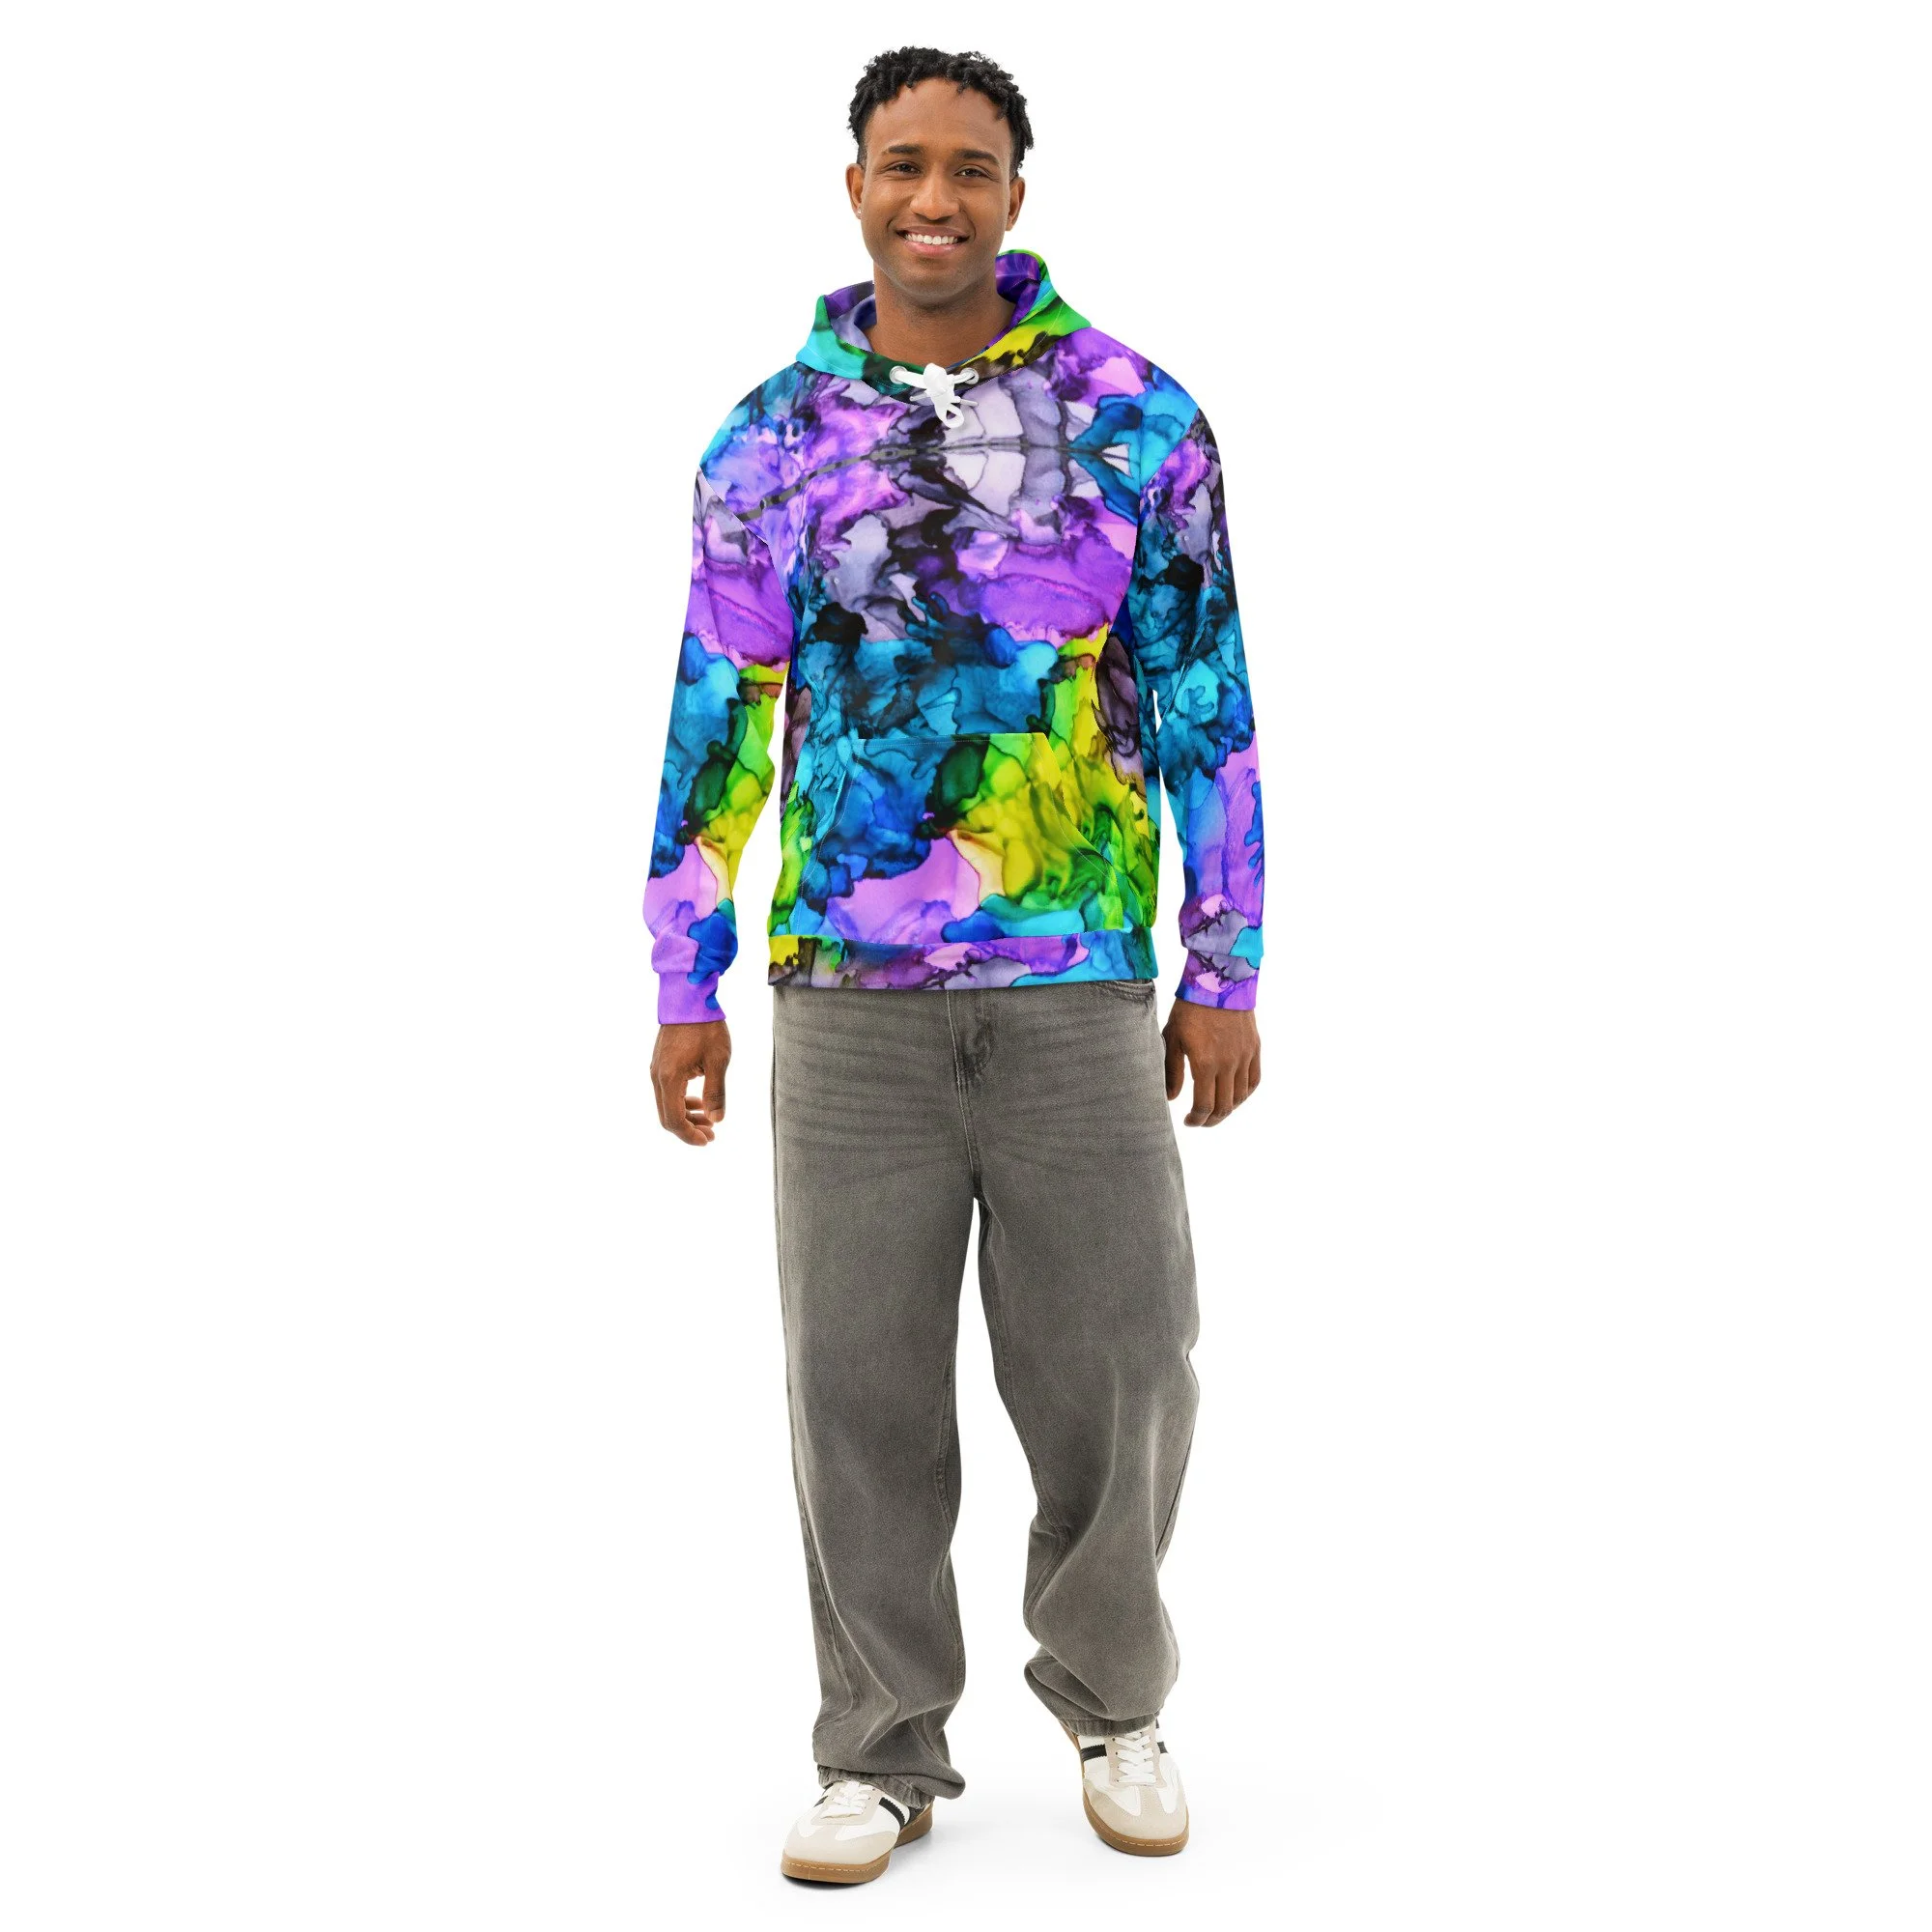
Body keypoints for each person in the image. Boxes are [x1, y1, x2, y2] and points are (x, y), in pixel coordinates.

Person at [643, 46, 1265, 1885]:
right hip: (845, 998)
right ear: (855, 185)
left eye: (970, 168)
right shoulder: (768, 441)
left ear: (1015, 193)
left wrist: (1224, 963)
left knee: (1123, 1368)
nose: (936, 199)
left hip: (1077, 984)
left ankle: (1116, 1702)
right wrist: (683, 974)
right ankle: (879, 1747)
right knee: (856, 1386)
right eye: (903, 164)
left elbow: (1209, 704)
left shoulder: (1139, 418)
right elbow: (716, 713)